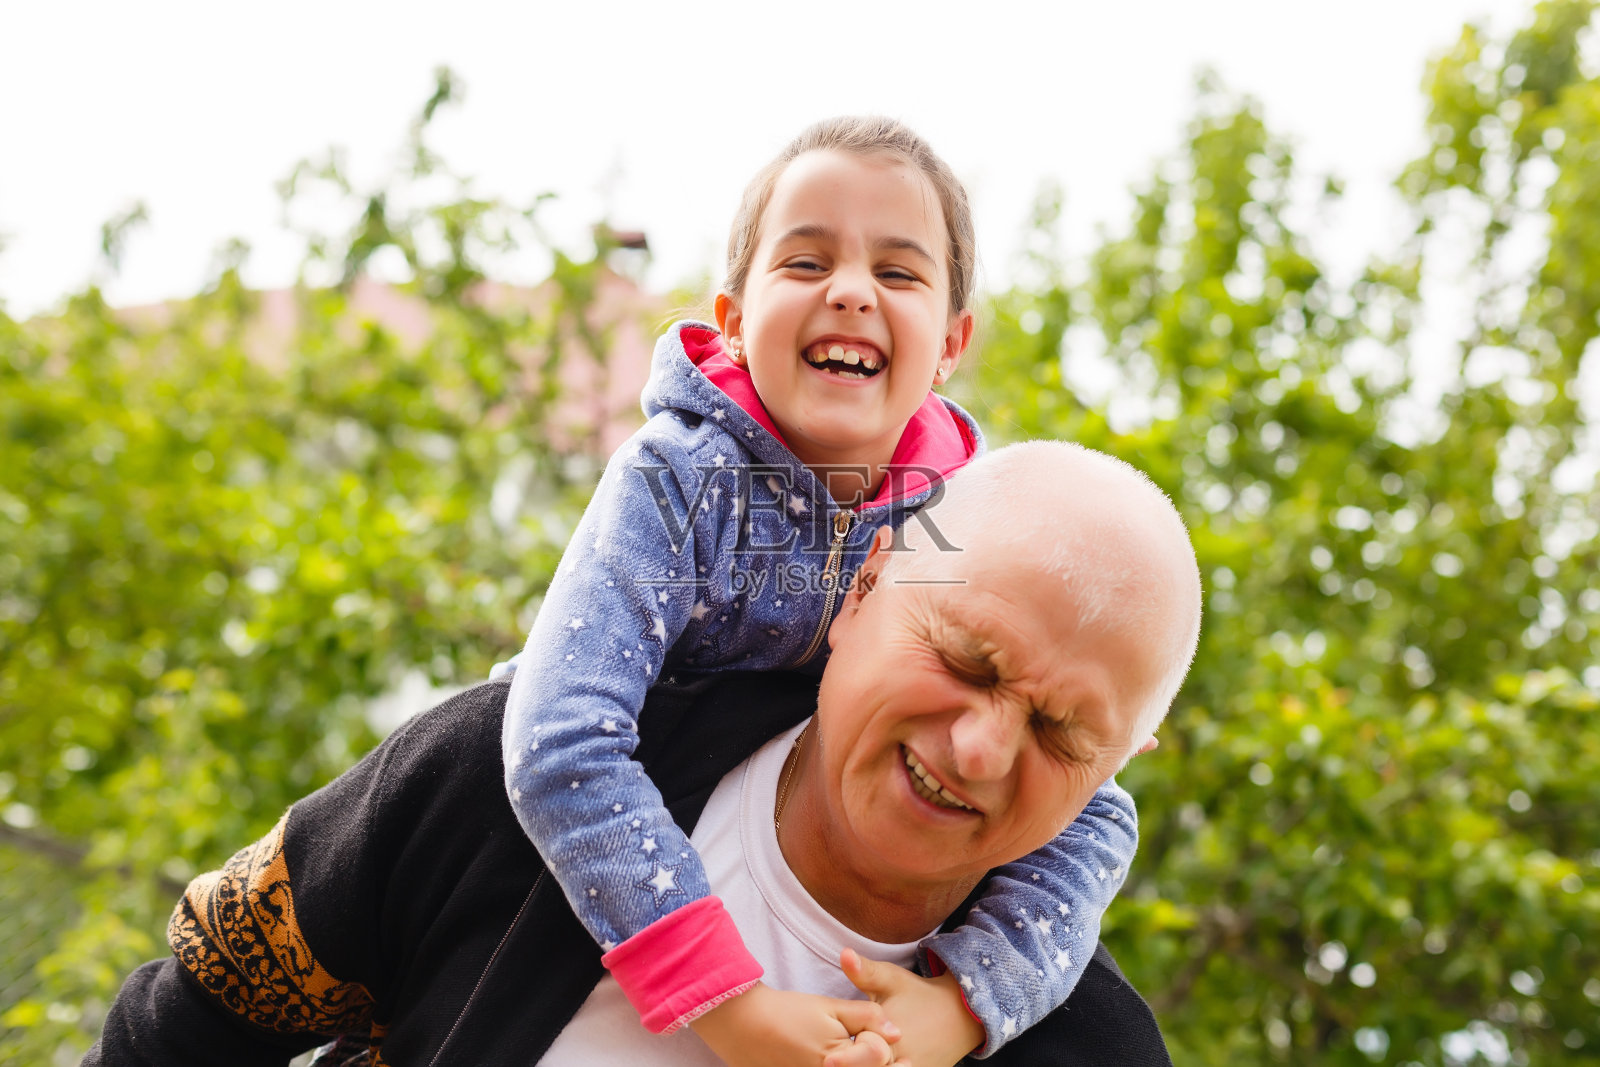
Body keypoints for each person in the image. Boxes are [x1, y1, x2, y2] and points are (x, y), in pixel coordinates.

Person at [85, 441, 1202, 1067]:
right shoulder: (500, 785)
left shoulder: (1088, 1052)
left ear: (1122, 763)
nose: (980, 746)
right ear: (862, 588)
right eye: (965, 659)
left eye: (1062, 733)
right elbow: (181, 1033)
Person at [497, 116, 1142, 1064]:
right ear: (732, 316)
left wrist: (964, 1004)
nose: (850, 292)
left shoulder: (961, 521)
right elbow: (559, 740)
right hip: (558, 871)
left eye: (898, 272)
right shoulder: (677, 476)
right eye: (804, 263)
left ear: (952, 341)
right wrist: (725, 1000)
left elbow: (1097, 812)